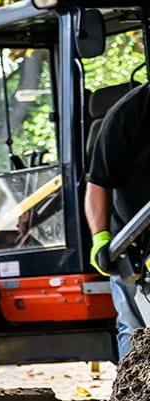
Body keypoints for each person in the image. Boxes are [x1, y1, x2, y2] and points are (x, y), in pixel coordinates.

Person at [85, 82, 149, 358]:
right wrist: (101, 239)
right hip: (137, 245)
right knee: (135, 332)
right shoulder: (130, 111)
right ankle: (134, 400)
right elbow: (99, 183)